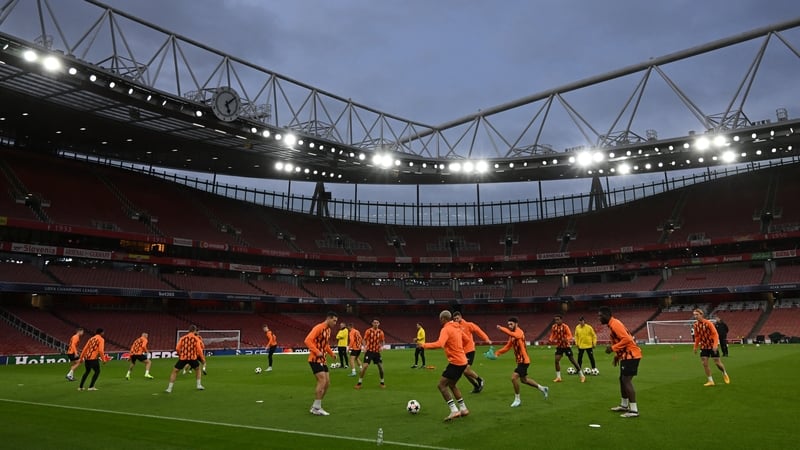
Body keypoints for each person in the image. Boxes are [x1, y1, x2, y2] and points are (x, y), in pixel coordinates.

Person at [422, 310, 470, 421]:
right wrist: (459, 349)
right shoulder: (457, 327)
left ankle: (454, 410)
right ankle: (463, 409)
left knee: (441, 385)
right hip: (463, 361)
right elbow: (467, 340)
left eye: (440, 319)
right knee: (452, 385)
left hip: (455, 362)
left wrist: (423, 345)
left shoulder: (446, 329)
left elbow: (440, 344)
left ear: (443, 319)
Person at [494, 317, 549, 407]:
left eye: (511, 324)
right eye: (508, 324)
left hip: (524, 360)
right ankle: (543, 388)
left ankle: (517, 399)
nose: (509, 326)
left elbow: (516, 336)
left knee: (514, 378)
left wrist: (502, 328)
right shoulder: (511, 335)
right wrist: (497, 353)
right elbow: (507, 346)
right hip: (520, 361)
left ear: (516, 324)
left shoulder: (519, 332)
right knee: (524, 380)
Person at [598, 306, 642, 418]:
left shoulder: (615, 324)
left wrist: (612, 348)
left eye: (600, 316)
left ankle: (634, 410)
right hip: (626, 356)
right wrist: (617, 356)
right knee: (622, 380)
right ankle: (624, 405)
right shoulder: (612, 325)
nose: (599, 318)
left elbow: (627, 339)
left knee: (626, 380)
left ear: (607, 315)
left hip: (631, 355)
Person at [304, 311, 338, 416]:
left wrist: (331, 353)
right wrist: (316, 351)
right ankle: (316, 408)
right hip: (315, 359)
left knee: (327, 384)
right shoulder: (319, 327)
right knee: (322, 381)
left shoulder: (328, 330)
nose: (335, 323)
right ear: (328, 318)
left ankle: (316, 405)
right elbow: (307, 340)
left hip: (323, 359)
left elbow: (325, 344)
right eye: (334, 321)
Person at [452, 311, 489, 393]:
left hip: (469, 350)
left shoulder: (468, 325)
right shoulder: (455, 327)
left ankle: (480, 380)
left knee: (466, 370)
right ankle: (476, 386)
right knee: (464, 372)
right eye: (455, 319)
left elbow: (478, 330)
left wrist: (486, 338)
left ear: (461, 317)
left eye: (457, 318)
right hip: (461, 352)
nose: (456, 320)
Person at [692, 309, 731, 386]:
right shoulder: (695, 325)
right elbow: (697, 337)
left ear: (701, 315)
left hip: (712, 346)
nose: (695, 316)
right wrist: (695, 346)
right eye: (694, 315)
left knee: (717, 363)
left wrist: (715, 345)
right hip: (704, 346)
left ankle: (724, 372)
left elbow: (715, 334)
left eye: (697, 314)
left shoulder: (708, 323)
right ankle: (710, 381)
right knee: (704, 363)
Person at [165, 325, 205, 393]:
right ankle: (198, 385)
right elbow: (199, 349)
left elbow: (177, 348)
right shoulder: (196, 339)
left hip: (183, 357)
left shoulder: (182, 338)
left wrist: (180, 354)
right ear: (195, 331)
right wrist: (203, 359)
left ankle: (169, 388)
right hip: (192, 358)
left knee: (175, 371)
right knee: (198, 369)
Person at [548, 314, 585, 382]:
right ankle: (558, 377)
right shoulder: (554, 327)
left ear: (561, 320)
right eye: (555, 320)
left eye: (558, 320)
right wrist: (551, 339)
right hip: (559, 346)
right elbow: (553, 334)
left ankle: (582, 376)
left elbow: (570, 335)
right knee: (556, 360)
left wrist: (566, 339)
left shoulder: (565, 327)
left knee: (572, 360)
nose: (556, 321)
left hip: (566, 346)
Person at [355, 318, 385, 389]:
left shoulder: (381, 332)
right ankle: (359, 383)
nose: (376, 324)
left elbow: (382, 341)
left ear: (379, 324)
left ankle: (382, 382)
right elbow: (364, 340)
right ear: (372, 323)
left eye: (377, 323)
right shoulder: (368, 331)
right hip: (369, 351)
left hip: (377, 352)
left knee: (381, 367)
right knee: (365, 366)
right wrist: (364, 347)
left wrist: (382, 347)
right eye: (374, 322)